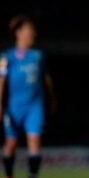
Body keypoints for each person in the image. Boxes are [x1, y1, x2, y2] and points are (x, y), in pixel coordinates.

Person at [0, 15, 55, 178]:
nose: (33, 34)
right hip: (14, 107)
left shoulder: (38, 56)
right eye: (30, 31)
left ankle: (32, 175)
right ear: (19, 32)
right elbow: (1, 80)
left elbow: (46, 80)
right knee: (11, 144)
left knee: (34, 141)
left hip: (34, 106)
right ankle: (9, 175)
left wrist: (51, 98)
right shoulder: (7, 56)